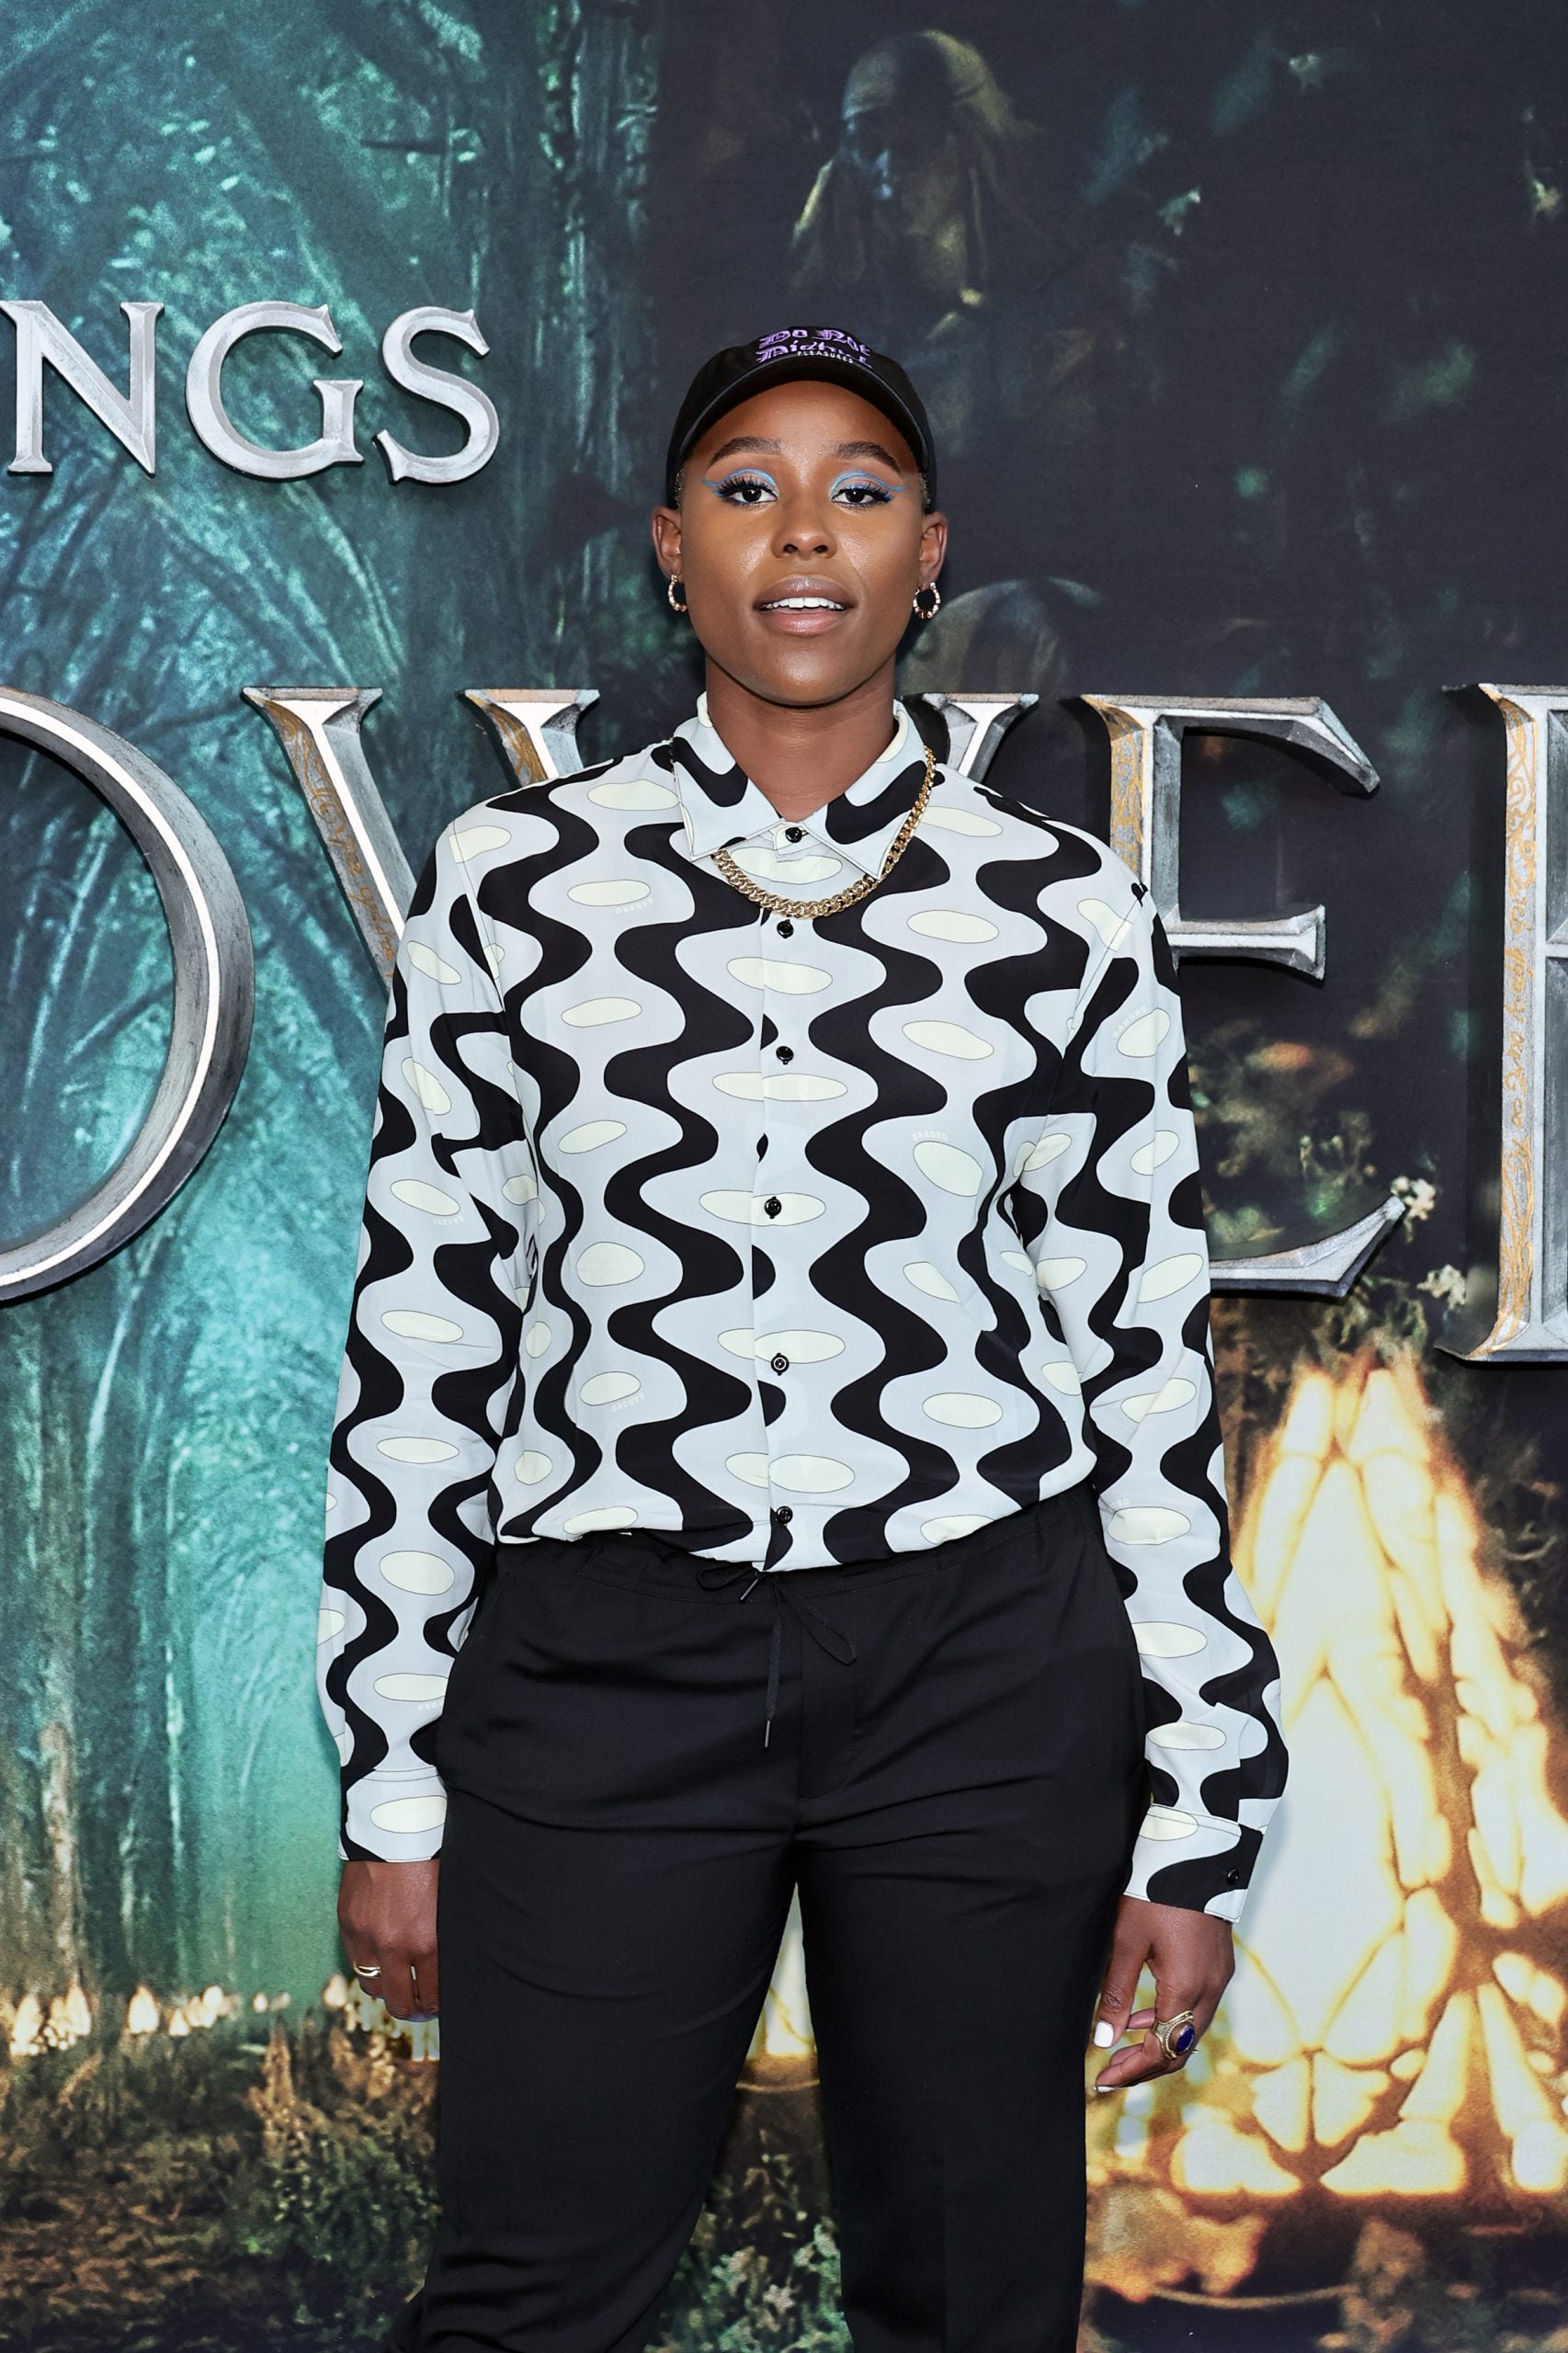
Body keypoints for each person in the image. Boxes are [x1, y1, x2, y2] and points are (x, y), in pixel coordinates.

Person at [316, 322, 1288, 2353]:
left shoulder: (1058, 906)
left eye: (860, 488)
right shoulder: (514, 884)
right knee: (529, 2288)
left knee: (972, 2294)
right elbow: (424, 1334)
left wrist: (1201, 1810)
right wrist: (394, 1783)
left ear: (928, 552)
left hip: (977, 1662)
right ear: (673, 548)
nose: (803, 532)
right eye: (745, 486)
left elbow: (1139, 1361)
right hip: (603, 1664)